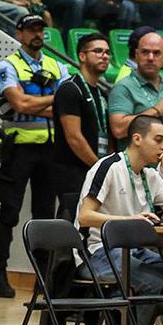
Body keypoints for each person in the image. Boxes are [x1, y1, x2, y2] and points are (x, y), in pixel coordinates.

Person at [76, 114, 163, 325]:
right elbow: (84, 217)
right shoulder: (108, 167)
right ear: (137, 138)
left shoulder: (151, 175)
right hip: (97, 253)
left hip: (134, 253)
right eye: (158, 139)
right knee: (157, 281)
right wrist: (129, 220)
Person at [0, 12, 64, 298]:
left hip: (50, 148)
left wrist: (33, 104)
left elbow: (64, 105)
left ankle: (42, 281)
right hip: (18, 146)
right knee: (8, 212)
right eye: (31, 30)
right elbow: (17, 101)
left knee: (45, 217)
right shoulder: (9, 65)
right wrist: (49, 101)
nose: (37, 35)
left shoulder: (56, 66)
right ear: (19, 34)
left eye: (40, 30)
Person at [54, 30, 112, 226]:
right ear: (82, 56)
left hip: (93, 169)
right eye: (98, 51)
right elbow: (74, 138)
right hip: (73, 172)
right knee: (71, 228)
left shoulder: (102, 92)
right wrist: (100, 167)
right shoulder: (70, 88)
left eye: (107, 52)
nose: (104, 55)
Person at [108, 29, 163, 147]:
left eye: (156, 53)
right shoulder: (123, 87)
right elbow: (118, 130)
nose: (150, 58)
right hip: (136, 165)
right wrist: (156, 111)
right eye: (145, 52)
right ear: (136, 55)